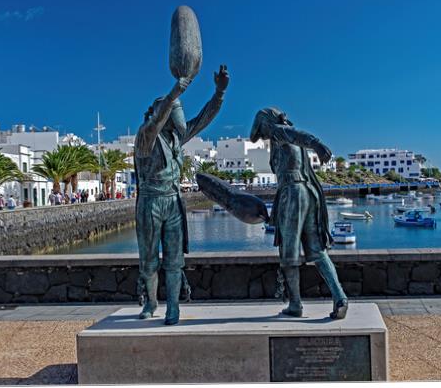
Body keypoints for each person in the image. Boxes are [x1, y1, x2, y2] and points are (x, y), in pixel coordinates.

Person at [135, 64, 229, 325]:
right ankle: (152, 302)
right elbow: (155, 124)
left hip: (173, 201)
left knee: (174, 261)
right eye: (174, 111)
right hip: (150, 201)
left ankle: (173, 307)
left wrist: (219, 92)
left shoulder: (177, 139)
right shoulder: (146, 136)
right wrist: (177, 90)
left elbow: (203, 119)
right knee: (149, 261)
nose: (180, 118)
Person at [248, 107, 348, 319]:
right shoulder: (285, 137)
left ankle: (295, 304)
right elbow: (297, 137)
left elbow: (298, 135)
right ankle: (340, 296)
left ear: (266, 123)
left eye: (262, 130)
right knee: (317, 251)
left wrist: (317, 144)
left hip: (292, 194)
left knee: (289, 253)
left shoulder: (278, 131)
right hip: (308, 193)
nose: (264, 136)